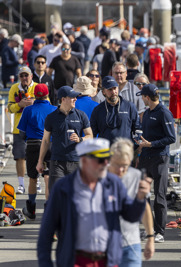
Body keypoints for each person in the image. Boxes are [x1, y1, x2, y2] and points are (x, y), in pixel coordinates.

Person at [37, 138, 150, 267]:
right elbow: (46, 231)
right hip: (75, 261)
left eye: (107, 159)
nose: (105, 164)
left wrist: (140, 198)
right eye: (100, 160)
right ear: (84, 161)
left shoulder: (113, 183)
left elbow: (131, 216)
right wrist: (45, 263)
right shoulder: (63, 188)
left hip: (108, 261)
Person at [136, 84, 176, 243]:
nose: (142, 99)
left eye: (142, 97)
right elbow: (146, 136)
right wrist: (140, 148)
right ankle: (149, 229)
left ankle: (160, 232)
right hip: (145, 157)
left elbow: (171, 138)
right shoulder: (146, 113)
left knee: (159, 196)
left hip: (159, 158)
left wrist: (151, 144)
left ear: (147, 97)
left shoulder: (164, 113)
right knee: (142, 194)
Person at [36, 86, 93, 192]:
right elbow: (45, 141)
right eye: (72, 97)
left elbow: (90, 136)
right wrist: (40, 161)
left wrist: (80, 139)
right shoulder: (51, 117)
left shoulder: (81, 115)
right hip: (57, 162)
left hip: (76, 162)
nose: (75, 99)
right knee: (57, 194)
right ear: (63, 99)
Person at [109, 138, 155, 266]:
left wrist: (150, 238)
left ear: (130, 161)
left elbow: (145, 208)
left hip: (130, 244)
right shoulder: (99, 177)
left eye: (124, 166)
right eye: (116, 165)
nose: (120, 170)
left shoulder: (136, 176)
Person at [17, 84, 57, 219]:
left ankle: (31, 209)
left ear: (34, 94)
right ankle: (49, 209)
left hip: (33, 144)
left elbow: (21, 132)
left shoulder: (28, 110)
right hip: (50, 145)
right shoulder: (54, 109)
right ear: (47, 94)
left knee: (33, 178)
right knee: (48, 178)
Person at [7, 66, 37, 194]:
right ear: (19, 77)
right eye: (22, 76)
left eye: (26, 75)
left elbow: (47, 103)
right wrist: (20, 104)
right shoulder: (14, 88)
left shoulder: (37, 87)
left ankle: (37, 182)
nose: (24, 78)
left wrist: (33, 103)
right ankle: (20, 184)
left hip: (35, 127)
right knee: (20, 157)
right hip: (19, 128)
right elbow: (9, 108)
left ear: (31, 76)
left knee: (36, 156)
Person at [90, 76, 140, 144]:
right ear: (103, 92)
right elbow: (93, 133)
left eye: (115, 88)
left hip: (125, 150)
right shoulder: (97, 110)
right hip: (105, 151)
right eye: (110, 89)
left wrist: (137, 146)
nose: (113, 92)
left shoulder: (129, 106)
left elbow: (137, 128)